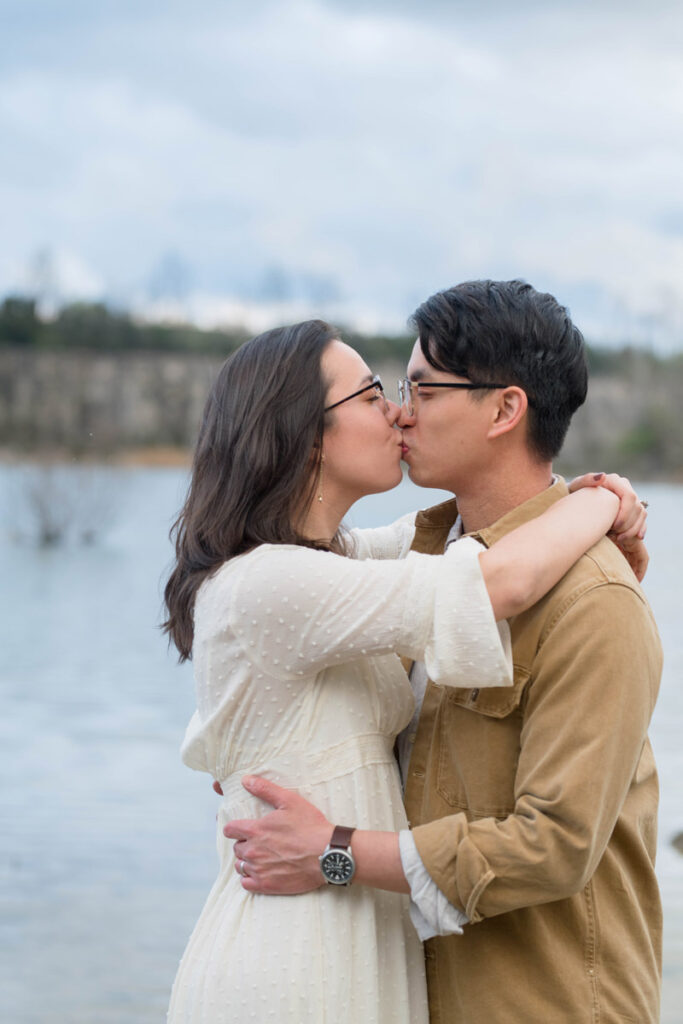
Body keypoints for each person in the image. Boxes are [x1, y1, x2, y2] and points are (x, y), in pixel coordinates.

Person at [164, 316, 647, 1024]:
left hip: (362, 944)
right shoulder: (272, 583)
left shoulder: (348, 563)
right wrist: (604, 500)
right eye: (372, 394)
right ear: (302, 435)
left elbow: (473, 544)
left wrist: (591, 511)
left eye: (415, 388)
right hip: (298, 955)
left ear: (505, 409)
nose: (396, 409)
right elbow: (493, 580)